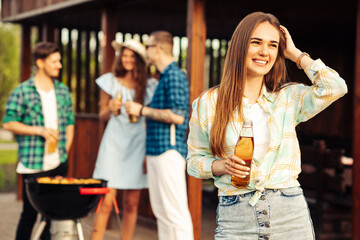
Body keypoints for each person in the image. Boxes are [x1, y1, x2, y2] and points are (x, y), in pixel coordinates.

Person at [187, 12, 348, 240]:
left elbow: (336, 87)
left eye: (273, 45)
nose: (265, 51)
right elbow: (193, 162)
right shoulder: (209, 102)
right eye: (256, 42)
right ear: (240, 46)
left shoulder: (288, 98)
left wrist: (295, 54)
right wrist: (222, 166)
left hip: (290, 214)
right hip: (236, 217)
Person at [125, 31, 194, 240]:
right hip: (157, 152)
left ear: (158, 48)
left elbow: (179, 116)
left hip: (169, 152)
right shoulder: (164, 76)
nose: (145, 51)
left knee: (175, 214)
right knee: (163, 214)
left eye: (147, 46)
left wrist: (142, 110)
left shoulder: (175, 75)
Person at [3, 42, 75, 240]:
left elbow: (69, 122)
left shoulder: (62, 91)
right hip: (33, 163)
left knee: (52, 215)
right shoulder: (22, 91)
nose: (59, 65)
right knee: (29, 214)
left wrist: (65, 152)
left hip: (58, 162)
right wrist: (39, 130)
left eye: (59, 61)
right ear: (40, 63)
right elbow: (8, 123)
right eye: (55, 61)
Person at [90, 39, 157, 240]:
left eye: (132, 56)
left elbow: (152, 117)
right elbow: (101, 115)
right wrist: (109, 109)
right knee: (107, 201)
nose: (127, 59)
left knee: (131, 203)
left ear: (139, 61)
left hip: (138, 144)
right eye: (125, 55)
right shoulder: (109, 80)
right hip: (113, 145)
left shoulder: (149, 85)